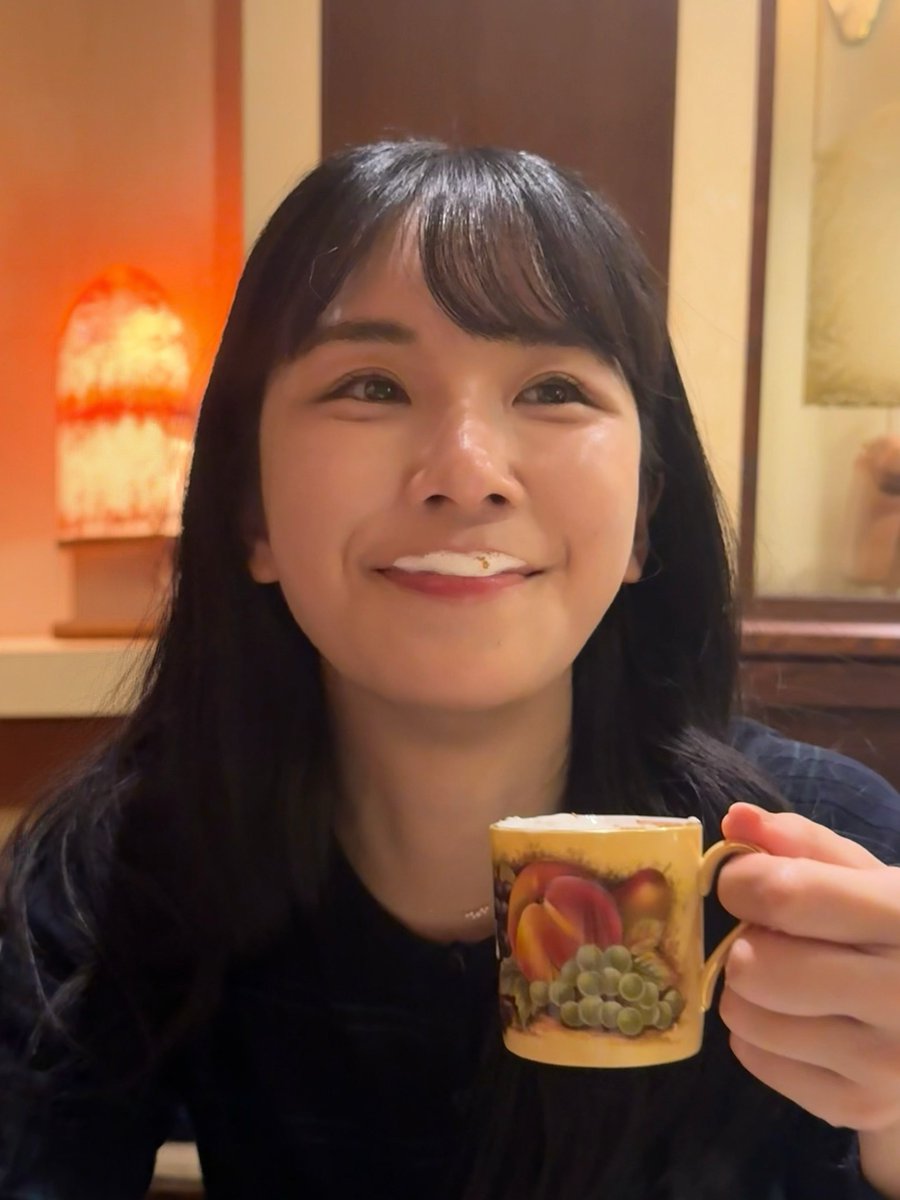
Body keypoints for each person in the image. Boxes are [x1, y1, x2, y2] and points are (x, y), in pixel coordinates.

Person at [1, 140, 899, 1200]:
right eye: (371, 385)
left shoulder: (822, 864)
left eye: (554, 387)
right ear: (251, 512)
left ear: (644, 519)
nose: (467, 475)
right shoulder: (117, 872)